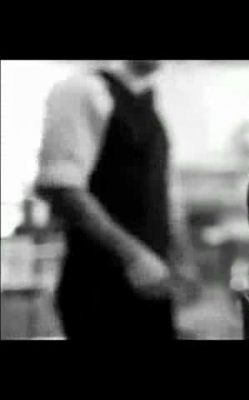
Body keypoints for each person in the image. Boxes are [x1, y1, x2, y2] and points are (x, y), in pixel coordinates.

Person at [35, 60, 197, 339]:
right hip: (98, 290)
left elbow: (167, 196)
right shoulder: (81, 90)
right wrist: (135, 257)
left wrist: (183, 258)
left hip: (151, 288)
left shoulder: (151, 105)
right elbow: (63, 189)